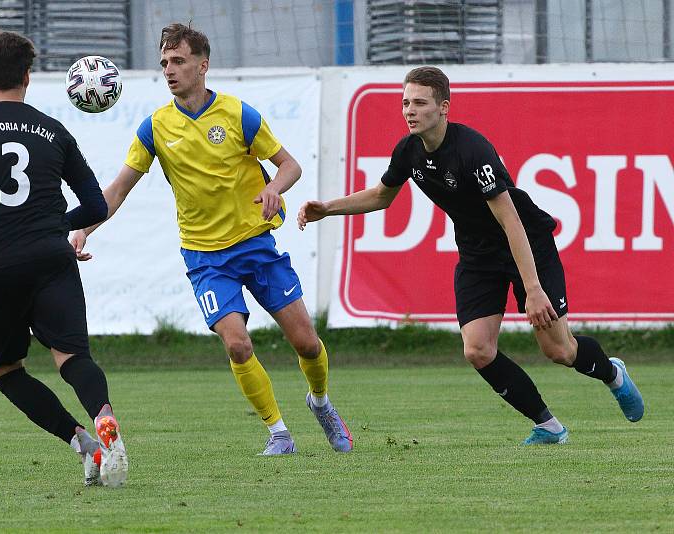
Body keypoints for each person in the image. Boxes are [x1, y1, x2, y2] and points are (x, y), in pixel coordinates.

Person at [297, 66, 644, 445]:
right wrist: (327, 208)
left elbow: (511, 222)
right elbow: (382, 195)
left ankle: (612, 373)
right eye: (405, 102)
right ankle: (549, 427)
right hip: (478, 254)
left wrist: (532, 289)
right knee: (477, 349)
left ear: (443, 107)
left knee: (559, 349)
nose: (409, 111)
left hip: (526, 245)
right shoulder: (409, 150)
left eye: (419, 103)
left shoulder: (473, 151)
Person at [69, 23, 352, 455]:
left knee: (307, 343)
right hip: (205, 257)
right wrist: (84, 228)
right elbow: (118, 189)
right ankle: (278, 433)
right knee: (238, 345)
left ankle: (321, 403)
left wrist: (275, 187)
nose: (169, 70)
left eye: (178, 61)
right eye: (164, 62)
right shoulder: (155, 128)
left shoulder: (239, 114)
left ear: (203, 66)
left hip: (256, 245)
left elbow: (290, 165)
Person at [0, 31, 128, 485]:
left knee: (3, 370)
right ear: (27, 77)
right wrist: (56, 227)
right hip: (52, 257)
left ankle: (84, 444)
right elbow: (97, 206)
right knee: (72, 356)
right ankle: (103, 418)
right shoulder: (54, 130)